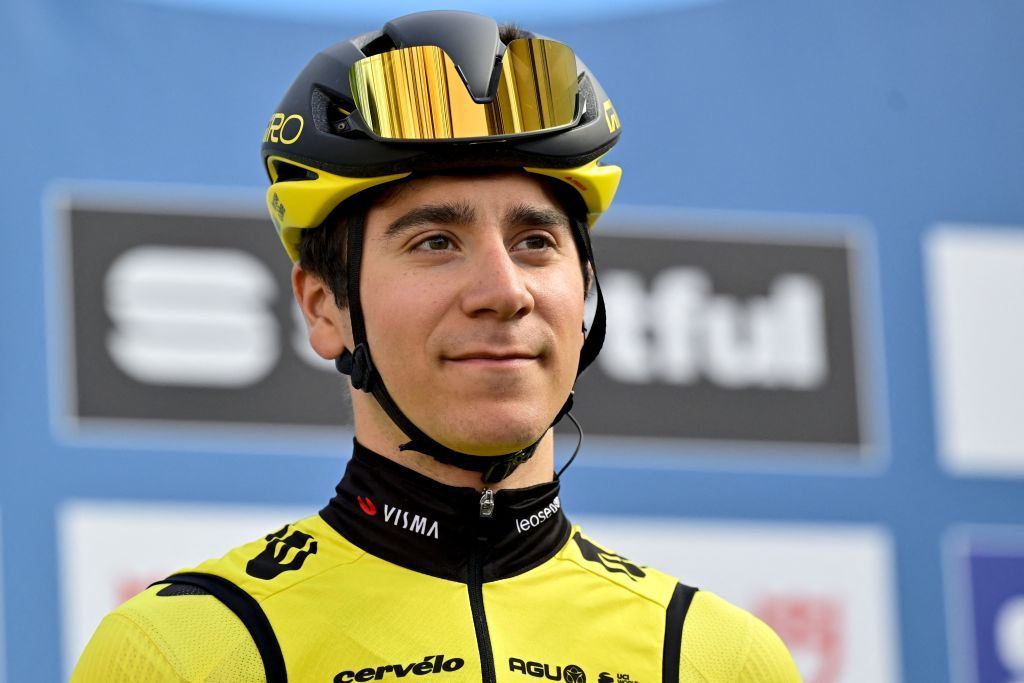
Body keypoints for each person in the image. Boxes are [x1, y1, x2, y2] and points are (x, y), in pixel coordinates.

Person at [72, 10, 801, 683]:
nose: (503, 289)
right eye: (436, 241)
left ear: (583, 293)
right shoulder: (184, 652)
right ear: (325, 306)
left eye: (535, 241)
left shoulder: (717, 657)